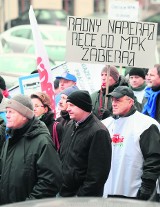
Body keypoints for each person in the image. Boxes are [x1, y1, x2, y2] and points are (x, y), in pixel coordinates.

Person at [0, 94, 62, 205]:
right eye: (6, 111)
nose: (7, 116)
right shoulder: (10, 138)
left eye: (11, 112)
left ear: (25, 115)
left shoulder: (42, 141)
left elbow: (50, 182)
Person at [102, 86, 160, 201]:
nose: (113, 103)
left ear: (130, 101)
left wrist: (146, 188)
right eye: (112, 100)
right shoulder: (105, 124)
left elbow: (153, 159)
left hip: (133, 191)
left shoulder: (146, 124)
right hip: (107, 190)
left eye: (118, 100)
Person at [59, 90, 112, 197]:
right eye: (68, 105)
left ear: (83, 106)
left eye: (72, 105)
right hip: (64, 192)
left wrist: (80, 197)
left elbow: (98, 174)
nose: (68, 108)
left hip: (82, 198)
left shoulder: (98, 132)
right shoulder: (70, 125)